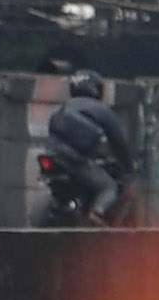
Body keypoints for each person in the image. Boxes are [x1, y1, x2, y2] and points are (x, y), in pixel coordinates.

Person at [42, 69, 135, 222]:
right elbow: (118, 141)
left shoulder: (60, 109)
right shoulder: (101, 109)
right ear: (96, 89)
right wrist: (129, 165)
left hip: (55, 159)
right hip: (75, 162)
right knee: (109, 187)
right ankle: (97, 213)